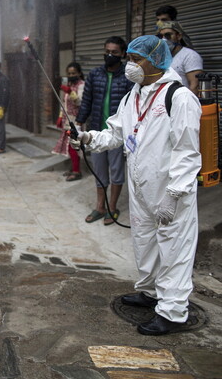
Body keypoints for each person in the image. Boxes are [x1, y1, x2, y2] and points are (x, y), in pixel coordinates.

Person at [72, 35, 201, 336]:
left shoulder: (179, 97)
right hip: (141, 187)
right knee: (144, 241)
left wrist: (174, 193)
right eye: (129, 58)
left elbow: (188, 150)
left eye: (136, 59)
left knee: (174, 248)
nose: (130, 65)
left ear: (156, 61)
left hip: (170, 190)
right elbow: (117, 132)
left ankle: (173, 312)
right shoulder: (135, 94)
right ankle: (151, 292)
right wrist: (91, 138)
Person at [76, 36, 134, 225]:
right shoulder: (95, 74)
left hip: (117, 133)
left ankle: (112, 207)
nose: (110, 55)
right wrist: (80, 122)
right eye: (107, 51)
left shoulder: (128, 75)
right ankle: (100, 206)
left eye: (114, 52)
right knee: (99, 170)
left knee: (116, 170)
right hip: (96, 131)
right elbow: (87, 101)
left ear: (123, 54)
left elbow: (133, 104)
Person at [52, 62, 85, 182]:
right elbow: (64, 103)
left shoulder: (82, 85)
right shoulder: (69, 84)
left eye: (74, 73)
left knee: (74, 145)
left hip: (76, 120)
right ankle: (73, 169)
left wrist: (70, 92)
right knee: (68, 145)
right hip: (67, 119)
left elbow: (80, 102)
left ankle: (77, 171)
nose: (71, 75)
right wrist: (61, 116)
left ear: (79, 73)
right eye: (69, 73)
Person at [157, 21, 203, 95]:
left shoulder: (190, 56)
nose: (164, 39)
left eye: (168, 35)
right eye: (160, 36)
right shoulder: (160, 57)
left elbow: (194, 86)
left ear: (178, 36)